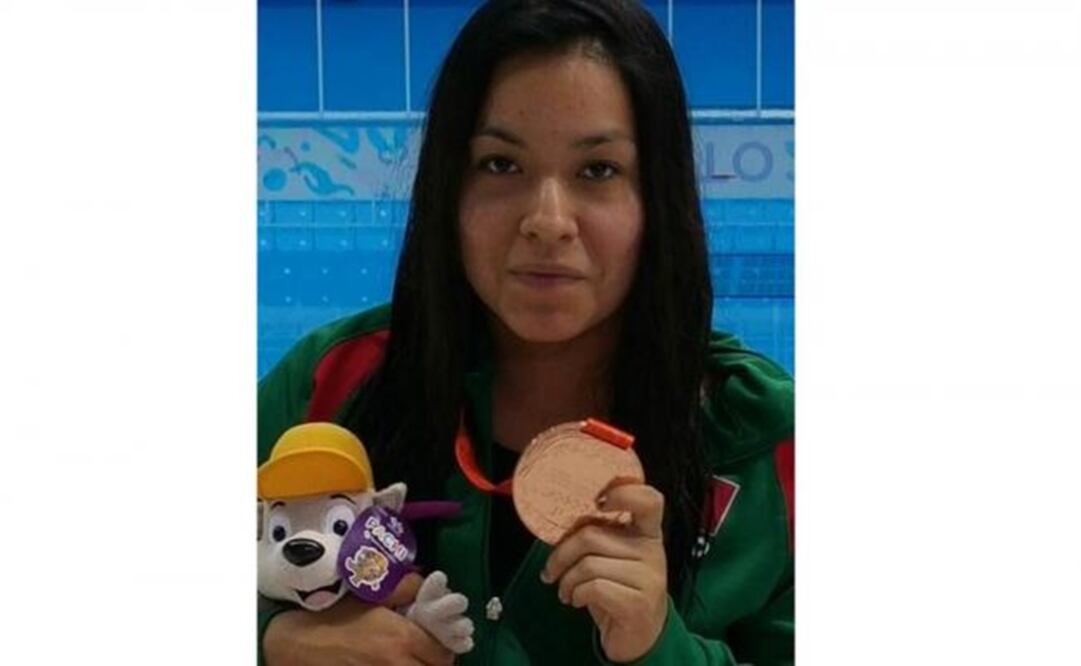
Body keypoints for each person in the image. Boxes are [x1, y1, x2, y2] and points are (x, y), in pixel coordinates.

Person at [258, 1, 794, 664]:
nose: (546, 220)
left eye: (597, 170)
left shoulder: (765, 443)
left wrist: (659, 644)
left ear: (655, 198)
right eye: (499, 165)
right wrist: (271, 642)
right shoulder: (329, 385)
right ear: (447, 186)